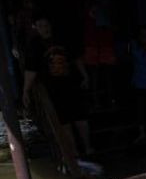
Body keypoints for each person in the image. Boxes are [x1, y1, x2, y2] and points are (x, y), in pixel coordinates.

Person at [23, 16, 94, 157]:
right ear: (36, 28)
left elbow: (75, 58)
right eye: (41, 25)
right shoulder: (35, 45)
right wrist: (26, 90)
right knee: (64, 122)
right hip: (53, 89)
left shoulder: (63, 39)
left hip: (72, 84)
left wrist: (84, 75)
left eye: (46, 24)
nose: (45, 28)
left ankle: (88, 147)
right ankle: (74, 152)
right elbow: (31, 70)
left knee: (81, 118)